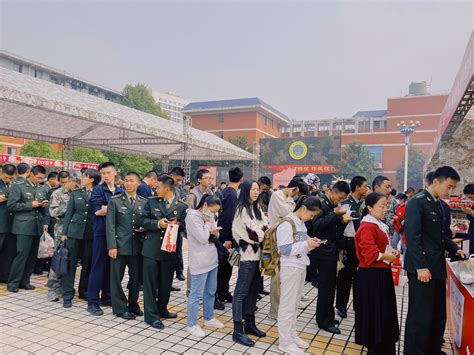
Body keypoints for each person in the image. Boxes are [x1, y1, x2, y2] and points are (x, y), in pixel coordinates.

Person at [404, 166, 465, 355]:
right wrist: (421, 266)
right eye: (449, 187)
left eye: (453, 188)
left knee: (437, 314)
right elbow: (413, 237)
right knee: (420, 316)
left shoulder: (438, 203)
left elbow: (439, 236)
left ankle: (432, 350)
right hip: (422, 270)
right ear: (436, 182)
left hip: (437, 267)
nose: (450, 191)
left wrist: (455, 248)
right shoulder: (417, 202)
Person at [354, 192, 400, 355]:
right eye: (382, 206)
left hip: (381, 273)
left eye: (386, 206)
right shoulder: (367, 226)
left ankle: (382, 346)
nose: (386, 209)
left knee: (382, 312)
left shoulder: (378, 224)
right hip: (372, 276)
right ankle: (375, 347)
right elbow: (368, 253)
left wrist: (390, 253)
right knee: (376, 312)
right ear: (369, 207)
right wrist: (385, 256)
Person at [141, 174, 187, 330]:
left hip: (169, 251)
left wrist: (177, 224)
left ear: (167, 189)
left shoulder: (181, 206)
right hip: (151, 249)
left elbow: (186, 228)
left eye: (158, 187)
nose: (155, 189)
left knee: (165, 283)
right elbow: (142, 221)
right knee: (150, 284)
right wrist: (158, 224)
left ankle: (162, 309)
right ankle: (151, 316)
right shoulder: (151, 202)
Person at [277, 196, 322, 355]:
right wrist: (306, 244)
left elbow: (301, 244)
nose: (311, 218)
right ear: (303, 209)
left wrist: (311, 243)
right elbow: (285, 250)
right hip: (290, 268)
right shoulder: (287, 223)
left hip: (300, 266)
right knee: (287, 306)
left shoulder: (300, 223)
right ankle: (285, 342)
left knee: (294, 304)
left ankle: (291, 335)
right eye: (311, 215)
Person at [231, 180, 269, 347]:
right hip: (247, 256)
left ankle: (250, 324)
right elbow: (253, 233)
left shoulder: (256, 208)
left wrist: (264, 231)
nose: (256, 192)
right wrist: (264, 232)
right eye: (253, 189)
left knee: (254, 291)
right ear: (246, 191)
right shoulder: (241, 210)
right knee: (241, 293)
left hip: (258, 255)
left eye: (257, 189)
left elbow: (265, 226)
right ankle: (237, 330)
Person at [312, 180, 351, 334]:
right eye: (339, 198)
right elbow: (318, 225)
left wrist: (342, 221)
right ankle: (324, 321)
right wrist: (335, 215)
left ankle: (327, 316)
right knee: (326, 286)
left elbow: (333, 228)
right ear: (333, 191)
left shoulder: (332, 204)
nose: (340, 201)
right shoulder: (322, 203)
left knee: (329, 285)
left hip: (331, 249)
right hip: (323, 250)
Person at [267, 176, 309, 319]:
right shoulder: (277, 196)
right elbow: (291, 216)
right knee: (276, 274)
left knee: (282, 276)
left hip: (287, 239)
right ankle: (274, 310)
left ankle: (281, 307)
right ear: (294, 188)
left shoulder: (289, 198)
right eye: (297, 194)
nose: (296, 197)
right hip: (276, 239)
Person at [106, 172, 147, 320]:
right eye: (126, 181)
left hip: (137, 246)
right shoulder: (115, 201)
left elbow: (145, 222)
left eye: (132, 181)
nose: (128, 183)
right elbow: (110, 225)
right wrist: (112, 246)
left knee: (135, 279)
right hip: (119, 245)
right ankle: (120, 308)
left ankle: (133, 305)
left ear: (138, 184)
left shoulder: (143, 202)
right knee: (116, 278)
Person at [185, 194, 225, 337]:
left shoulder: (211, 216)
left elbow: (215, 235)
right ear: (205, 206)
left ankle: (208, 317)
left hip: (212, 259)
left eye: (216, 212)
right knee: (196, 294)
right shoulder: (192, 216)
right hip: (199, 260)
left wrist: (212, 230)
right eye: (213, 211)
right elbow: (202, 238)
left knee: (210, 291)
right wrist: (209, 224)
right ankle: (191, 324)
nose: (214, 214)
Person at [87, 162, 124, 316]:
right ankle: (92, 302)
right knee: (98, 266)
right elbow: (97, 211)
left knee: (112, 267)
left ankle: (107, 297)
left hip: (117, 234)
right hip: (101, 233)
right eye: (104, 173)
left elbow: (124, 210)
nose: (106, 176)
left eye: (109, 172)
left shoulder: (121, 190)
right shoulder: (97, 190)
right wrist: (117, 209)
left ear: (115, 172)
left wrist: (108, 208)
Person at [60, 168, 100, 308]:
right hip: (74, 233)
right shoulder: (76, 193)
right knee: (70, 264)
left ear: (92, 179)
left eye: (84, 176)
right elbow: (68, 214)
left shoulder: (98, 193)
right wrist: (64, 233)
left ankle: (84, 291)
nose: (81, 178)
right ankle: (67, 293)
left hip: (91, 234)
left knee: (87, 264)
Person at [7, 165, 49, 293]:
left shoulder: (42, 189)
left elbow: (45, 210)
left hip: (37, 226)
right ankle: (13, 282)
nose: (40, 180)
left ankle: (25, 281)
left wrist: (43, 207)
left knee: (32, 256)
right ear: (30, 173)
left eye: (42, 178)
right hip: (23, 226)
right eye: (38, 177)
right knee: (22, 254)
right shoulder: (18, 186)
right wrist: (30, 205)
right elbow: (12, 205)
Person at [335, 176, 368, 319]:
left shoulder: (363, 204)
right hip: (348, 243)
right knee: (345, 276)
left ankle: (358, 304)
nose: (366, 189)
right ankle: (341, 306)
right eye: (364, 186)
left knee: (359, 276)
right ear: (357, 187)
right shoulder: (346, 204)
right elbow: (340, 225)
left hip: (360, 243)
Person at [47, 176, 79, 302]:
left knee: (70, 260)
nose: (77, 188)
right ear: (69, 182)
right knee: (59, 257)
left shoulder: (77, 194)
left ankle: (64, 287)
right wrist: (69, 206)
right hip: (61, 229)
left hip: (74, 230)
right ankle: (53, 288)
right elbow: (53, 212)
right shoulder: (57, 193)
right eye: (75, 186)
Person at [217, 167, 244, 305]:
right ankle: (221, 292)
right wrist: (227, 238)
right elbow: (227, 218)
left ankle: (224, 291)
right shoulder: (232, 195)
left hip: (224, 233)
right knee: (224, 266)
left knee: (226, 266)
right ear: (241, 179)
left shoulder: (226, 191)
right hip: (226, 236)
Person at [0, 164, 17, 281]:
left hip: (12, 225)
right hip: (0, 224)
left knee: (8, 252)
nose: (8, 180)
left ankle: (4, 276)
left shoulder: (15, 185)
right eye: (6, 177)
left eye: (11, 178)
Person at [170, 167, 186, 282]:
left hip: (177, 225)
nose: (178, 182)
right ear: (172, 176)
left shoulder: (178, 189)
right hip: (167, 225)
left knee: (178, 250)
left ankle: (179, 272)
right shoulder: (164, 187)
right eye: (177, 179)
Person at [463, 183, 474, 255]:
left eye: (471, 197)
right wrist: (468, 213)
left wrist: (472, 212)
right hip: (471, 234)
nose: (471, 199)